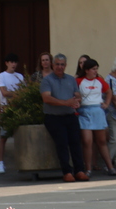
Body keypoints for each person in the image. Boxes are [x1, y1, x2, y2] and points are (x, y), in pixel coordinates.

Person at [41, 54, 86, 182]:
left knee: (76, 143)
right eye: (57, 64)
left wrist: (77, 101)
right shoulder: (47, 80)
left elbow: (77, 95)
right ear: (52, 65)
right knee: (62, 144)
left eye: (62, 64)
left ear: (65, 66)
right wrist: (66, 102)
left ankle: (79, 171)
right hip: (54, 117)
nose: (59, 67)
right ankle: (67, 172)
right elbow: (46, 98)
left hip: (70, 116)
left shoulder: (71, 79)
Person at [77, 58, 116, 176]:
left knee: (101, 141)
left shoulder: (100, 80)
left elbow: (109, 92)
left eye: (96, 69)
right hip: (84, 111)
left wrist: (107, 104)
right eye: (93, 69)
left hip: (98, 111)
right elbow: (73, 93)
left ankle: (110, 167)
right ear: (86, 70)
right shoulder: (79, 81)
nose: (95, 71)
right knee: (87, 141)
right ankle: (88, 169)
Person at [0, 53, 24, 174]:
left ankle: (21, 163)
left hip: (18, 109)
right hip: (6, 110)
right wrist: (17, 94)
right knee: (3, 137)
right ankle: (0, 163)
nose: (13, 64)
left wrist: (16, 94)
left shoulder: (20, 76)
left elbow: (24, 92)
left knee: (20, 137)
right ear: (6, 63)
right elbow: (4, 92)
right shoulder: (1, 76)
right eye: (11, 62)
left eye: (15, 62)